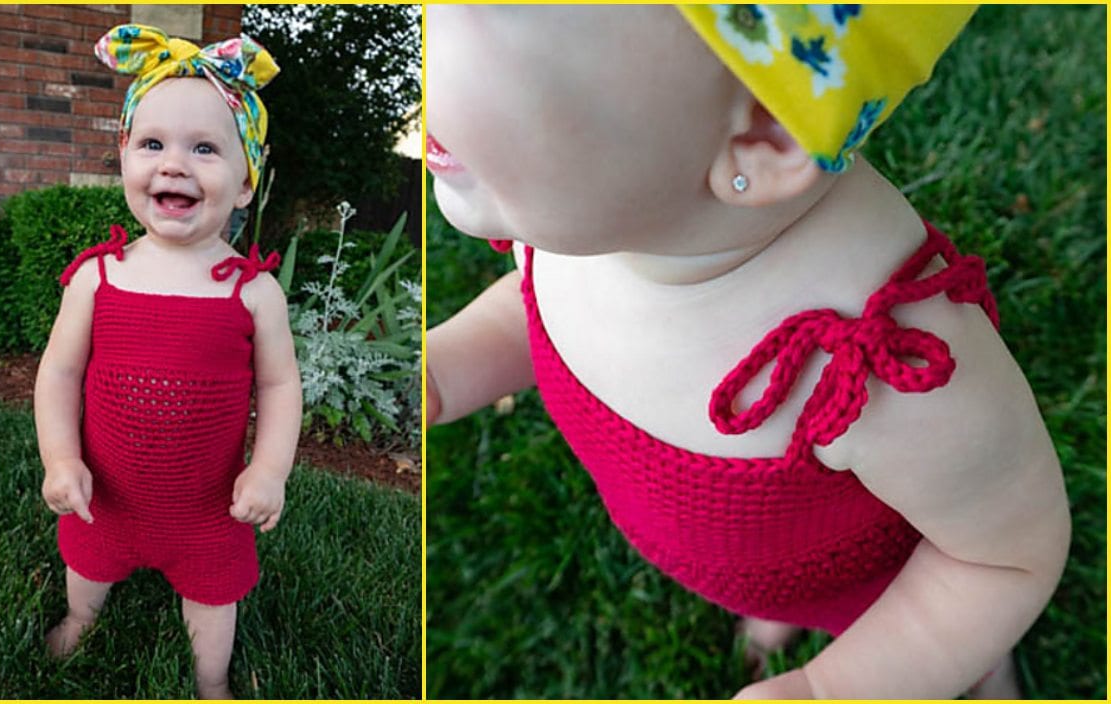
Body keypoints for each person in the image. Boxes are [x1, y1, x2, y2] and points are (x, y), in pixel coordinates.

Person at [425, 5, 1070, 699]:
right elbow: (535, 312)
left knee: (948, 648)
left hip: (890, 584)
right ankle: (775, 610)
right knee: (780, 599)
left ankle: (976, 671)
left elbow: (999, 562)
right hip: (751, 558)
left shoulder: (879, 364)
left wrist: (829, 690)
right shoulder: (596, 218)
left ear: (765, 133)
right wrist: (441, 366)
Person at [34, 24, 301, 699]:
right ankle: (80, 618)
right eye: (152, 144)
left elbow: (279, 385)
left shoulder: (254, 291)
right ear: (123, 157)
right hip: (108, 493)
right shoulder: (100, 277)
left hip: (210, 506)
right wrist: (61, 460)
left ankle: (210, 680)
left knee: (214, 597)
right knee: (87, 566)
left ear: (245, 184)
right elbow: (60, 373)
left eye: (205, 149)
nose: (174, 164)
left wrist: (268, 470)